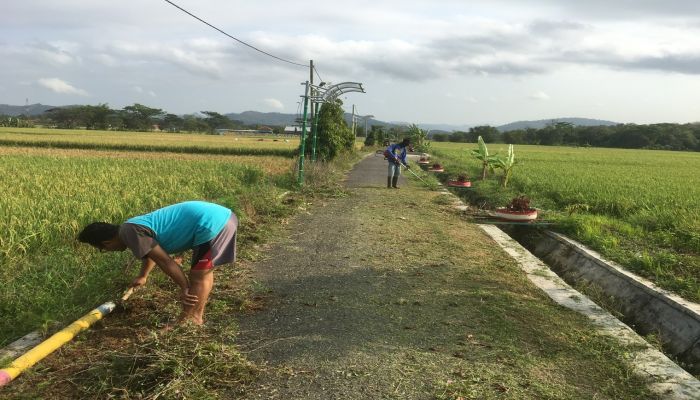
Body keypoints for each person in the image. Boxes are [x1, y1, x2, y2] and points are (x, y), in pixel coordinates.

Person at [78, 200, 238, 326]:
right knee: (202, 273)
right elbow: (152, 253)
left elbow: (165, 262)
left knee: (198, 275)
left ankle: (190, 320)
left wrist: (184, 287)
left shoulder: (129, 232)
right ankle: (194, 318)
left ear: (105, 243)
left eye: (103, 249)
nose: (108, 251)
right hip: (222, 217)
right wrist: (143, 276)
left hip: (211, 223)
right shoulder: (130, 227)